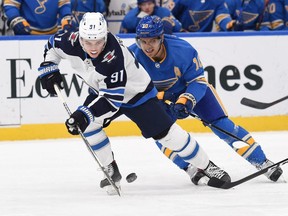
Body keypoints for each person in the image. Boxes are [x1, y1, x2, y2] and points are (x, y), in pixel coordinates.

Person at [37, 12, 231, 195]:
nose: (94, 47)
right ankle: (110, 169)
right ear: (79, 38)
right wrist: (48, 67)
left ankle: (207, 166)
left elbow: (113, 100)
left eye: (98, 41)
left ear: (105, 36)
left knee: (169, 136)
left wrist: (83, 114)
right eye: (88, 42)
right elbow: (52, 46)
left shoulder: (113, 56)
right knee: (88, 127)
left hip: (137, 95)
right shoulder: (68, 41)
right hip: (102, 91)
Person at [129, 15, 283, 183]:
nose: (147, 46)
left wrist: (185, 100)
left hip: (190, 91)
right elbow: (132, 88)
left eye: (152, 41)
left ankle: (261, 161)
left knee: (222, 125)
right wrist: (161, 96)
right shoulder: (131, 57)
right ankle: (191, 167)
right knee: (162, 133)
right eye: (143, 41)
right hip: (160, 99)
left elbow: (197, 81)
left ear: (161, 38)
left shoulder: (183, 50)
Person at [3, 0, 72, 35]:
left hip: (53, 34)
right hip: (26, 33)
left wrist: (66, 17)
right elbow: (11, 5)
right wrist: (16, 19)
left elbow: (64, 5)